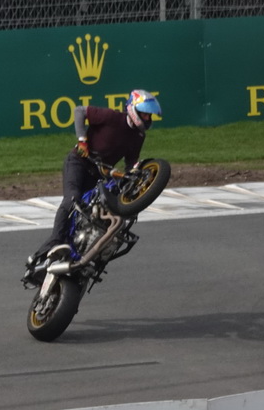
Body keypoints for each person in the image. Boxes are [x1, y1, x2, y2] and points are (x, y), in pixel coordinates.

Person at [26, 90, 163, 276]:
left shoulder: (138, 137)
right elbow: (79, 111)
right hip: (79, 162)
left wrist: (133, 176)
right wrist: (82, 141)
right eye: (144, 113)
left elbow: (131, 163)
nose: (147, 117)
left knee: (98, 212)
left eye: (149, 115)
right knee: (72, 199)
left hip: (99, 175)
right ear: (132, 109)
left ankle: (88, 253)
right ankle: (54, 242)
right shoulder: (112, 117)